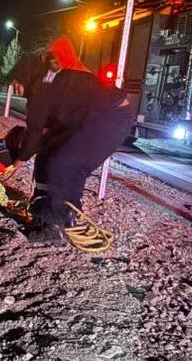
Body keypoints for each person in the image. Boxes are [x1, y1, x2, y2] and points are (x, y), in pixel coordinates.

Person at [13, 37, 134, 245]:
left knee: (64, 164)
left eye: (16, 83)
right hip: (100, 117)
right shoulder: (52, 81)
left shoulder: (43, 87)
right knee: (52, 156)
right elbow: (48, 132)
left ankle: (54, 227)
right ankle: (63, 215)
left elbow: (34, 132)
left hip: (111, 117)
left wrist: (20, 159)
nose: (15, 90)